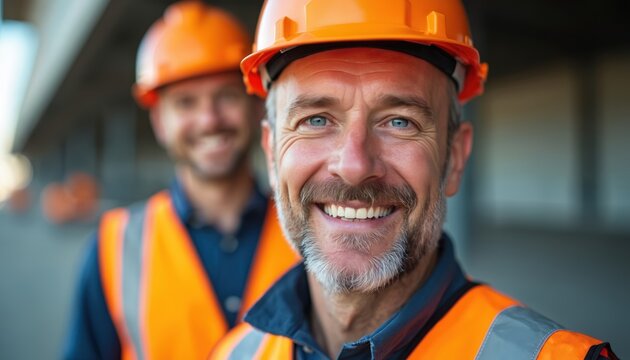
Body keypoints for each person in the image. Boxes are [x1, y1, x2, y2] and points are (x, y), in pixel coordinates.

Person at [210, 0, 618, 358]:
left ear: (454, 157)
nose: (354, 166)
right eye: (316, 120)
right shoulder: (235, 354)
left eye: (400, 121)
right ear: (271, 154)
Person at [63, 2, 298, 359]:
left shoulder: (309, 230)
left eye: (226, 96)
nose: (209, 120)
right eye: (186, 103)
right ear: (159, 121)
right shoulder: (115, 247)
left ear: (254, 105)